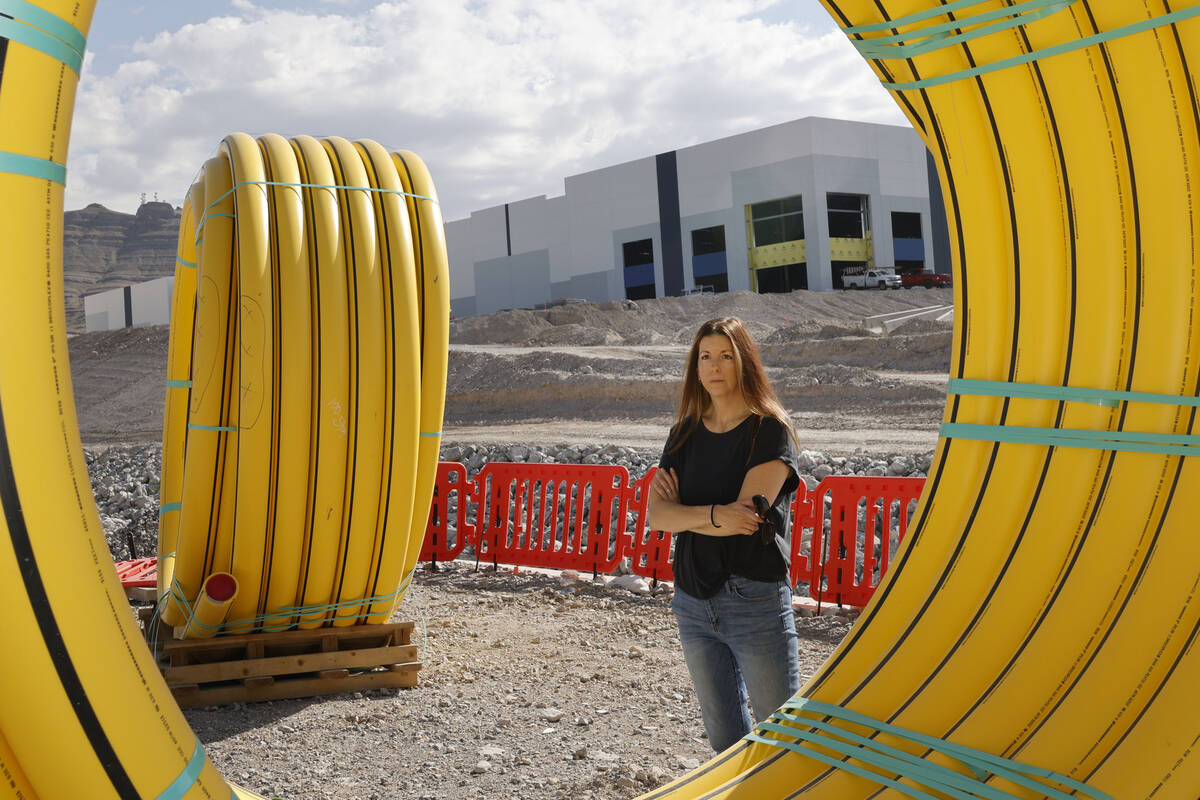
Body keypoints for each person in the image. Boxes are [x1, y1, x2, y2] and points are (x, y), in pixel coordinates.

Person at [647, 316, 801, 753]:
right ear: (696, 368)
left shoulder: (769, 431)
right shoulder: (683, 433)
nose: (715, 366)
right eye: (706, 357)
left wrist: (689, 514)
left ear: (744, 363)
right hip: (693, 603)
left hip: (754, 601)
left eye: (726, 356)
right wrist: (715, 515)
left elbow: (748, 518)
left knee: (782, 742)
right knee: (726, 744)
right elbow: (658, 516)